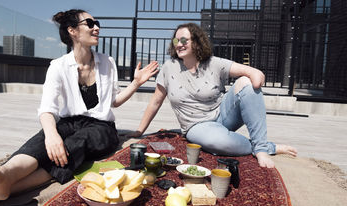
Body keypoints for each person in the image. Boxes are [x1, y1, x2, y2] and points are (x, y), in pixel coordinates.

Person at [0, 9, 159, 206]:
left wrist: (135, 83)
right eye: (90, 24)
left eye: (96, 23)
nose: (97, 27)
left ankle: (5, 190)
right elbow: (47, 108)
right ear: (72, 30)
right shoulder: (58, 66)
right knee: (44, 140)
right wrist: (51, 135)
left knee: (74, 145)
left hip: (102, 128)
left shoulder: (107, 62)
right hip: (70, 121)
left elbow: (113, 102)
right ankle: (4, 175)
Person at [127, 22, 297, 168]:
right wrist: (139, 130)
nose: (179, 44)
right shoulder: (168, 67)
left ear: (197, 42)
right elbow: (155, 102)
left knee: (246, 82)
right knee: (219, 143)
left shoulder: (214, 63)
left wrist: (253, 82)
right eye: (176, 40)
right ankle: (269, 146)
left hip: (223, 117)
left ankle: (260, 149)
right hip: (196, 126)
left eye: (184, 40)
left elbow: (255, 74)